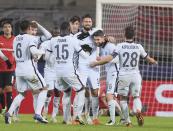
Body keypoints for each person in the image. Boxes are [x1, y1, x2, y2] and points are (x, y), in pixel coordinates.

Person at [90, 26, 157, 127]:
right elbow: (148, 59)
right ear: (134, 36)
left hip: (123, 75)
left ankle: (128, 122)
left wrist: (97, 62)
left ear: (124, 34)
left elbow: (110, 58)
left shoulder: (120, 46)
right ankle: (137, 110)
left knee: (123, 99)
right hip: (136, 75)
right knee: (136, 97)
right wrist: (154, 61)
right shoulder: (138, 46)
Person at [45, 21, 89, 124]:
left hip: (57, 72)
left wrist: (56, 62)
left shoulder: (53, 40)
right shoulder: (72, 40)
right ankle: (77, 116)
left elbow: (46, 57)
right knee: (81, 90)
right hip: (69, 71)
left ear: (60, 30)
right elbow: (84, 55)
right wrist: (87, 51)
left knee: (66, 92)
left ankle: (66, 119)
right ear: (69, 29)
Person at [5, 20, 48, 124]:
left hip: (18, 70)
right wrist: (42, 52)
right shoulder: (31, 38)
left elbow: (14, 55)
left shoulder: (15, 39)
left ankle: (9, 113)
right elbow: (34, 51)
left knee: (22, 94)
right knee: (44, 88)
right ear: (29, 28)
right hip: (29, 70)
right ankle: (38, 114)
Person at [92, 30, 123, 126]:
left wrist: (102, 60)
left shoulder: (111, 46)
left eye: (98, 39)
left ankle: (112, 120)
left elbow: (117, 58)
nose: (96, 41)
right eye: (95, 40)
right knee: (111, 96)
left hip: (115, 73)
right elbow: (106, 58)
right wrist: (101, 58)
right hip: (110, 73)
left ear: (104, 38)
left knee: (109, 95)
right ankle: (123, 118)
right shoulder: (103, 47)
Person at [0, 20, 15, 114]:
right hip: (0, 69)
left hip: (10, 69)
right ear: (2, 29)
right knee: (0, 91)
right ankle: (4, 107)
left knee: (9, 89)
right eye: (5, 27)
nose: (7, 28)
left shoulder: (16, 39)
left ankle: (9, 113)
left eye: (9, 27)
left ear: (11, 28)